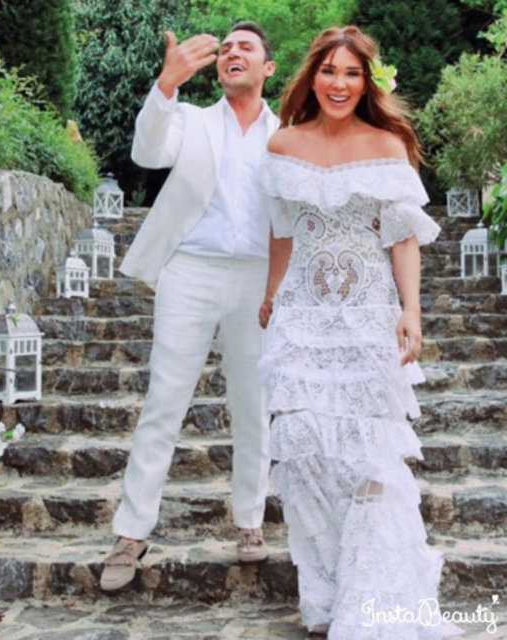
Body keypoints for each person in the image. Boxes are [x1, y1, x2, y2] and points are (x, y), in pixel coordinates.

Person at [257, 26, 459, 638]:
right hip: (301, 315)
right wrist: (270, 293)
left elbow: (402, 236)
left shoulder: (387, 145)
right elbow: (282, 230)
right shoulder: (283, 144)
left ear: (367, 82)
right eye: (329, 71)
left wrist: (411, 311)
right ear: (312, 77)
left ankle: (373, 599)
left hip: (368, 314)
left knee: (370, 459)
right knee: (304, 449)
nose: (339, 84)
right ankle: (327, 591)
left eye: (351, 73)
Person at [100, 21, 278, 592]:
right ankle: (131, 533)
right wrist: (167, 84)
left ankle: (249, 521)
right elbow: (148, 151)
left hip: (256, 278)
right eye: (225, 49)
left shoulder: (287, 134)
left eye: (245, 47)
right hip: (190, 271)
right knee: (164, 400)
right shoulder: (192, 120)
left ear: (268, 67)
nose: (231, 53)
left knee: (254, 405)